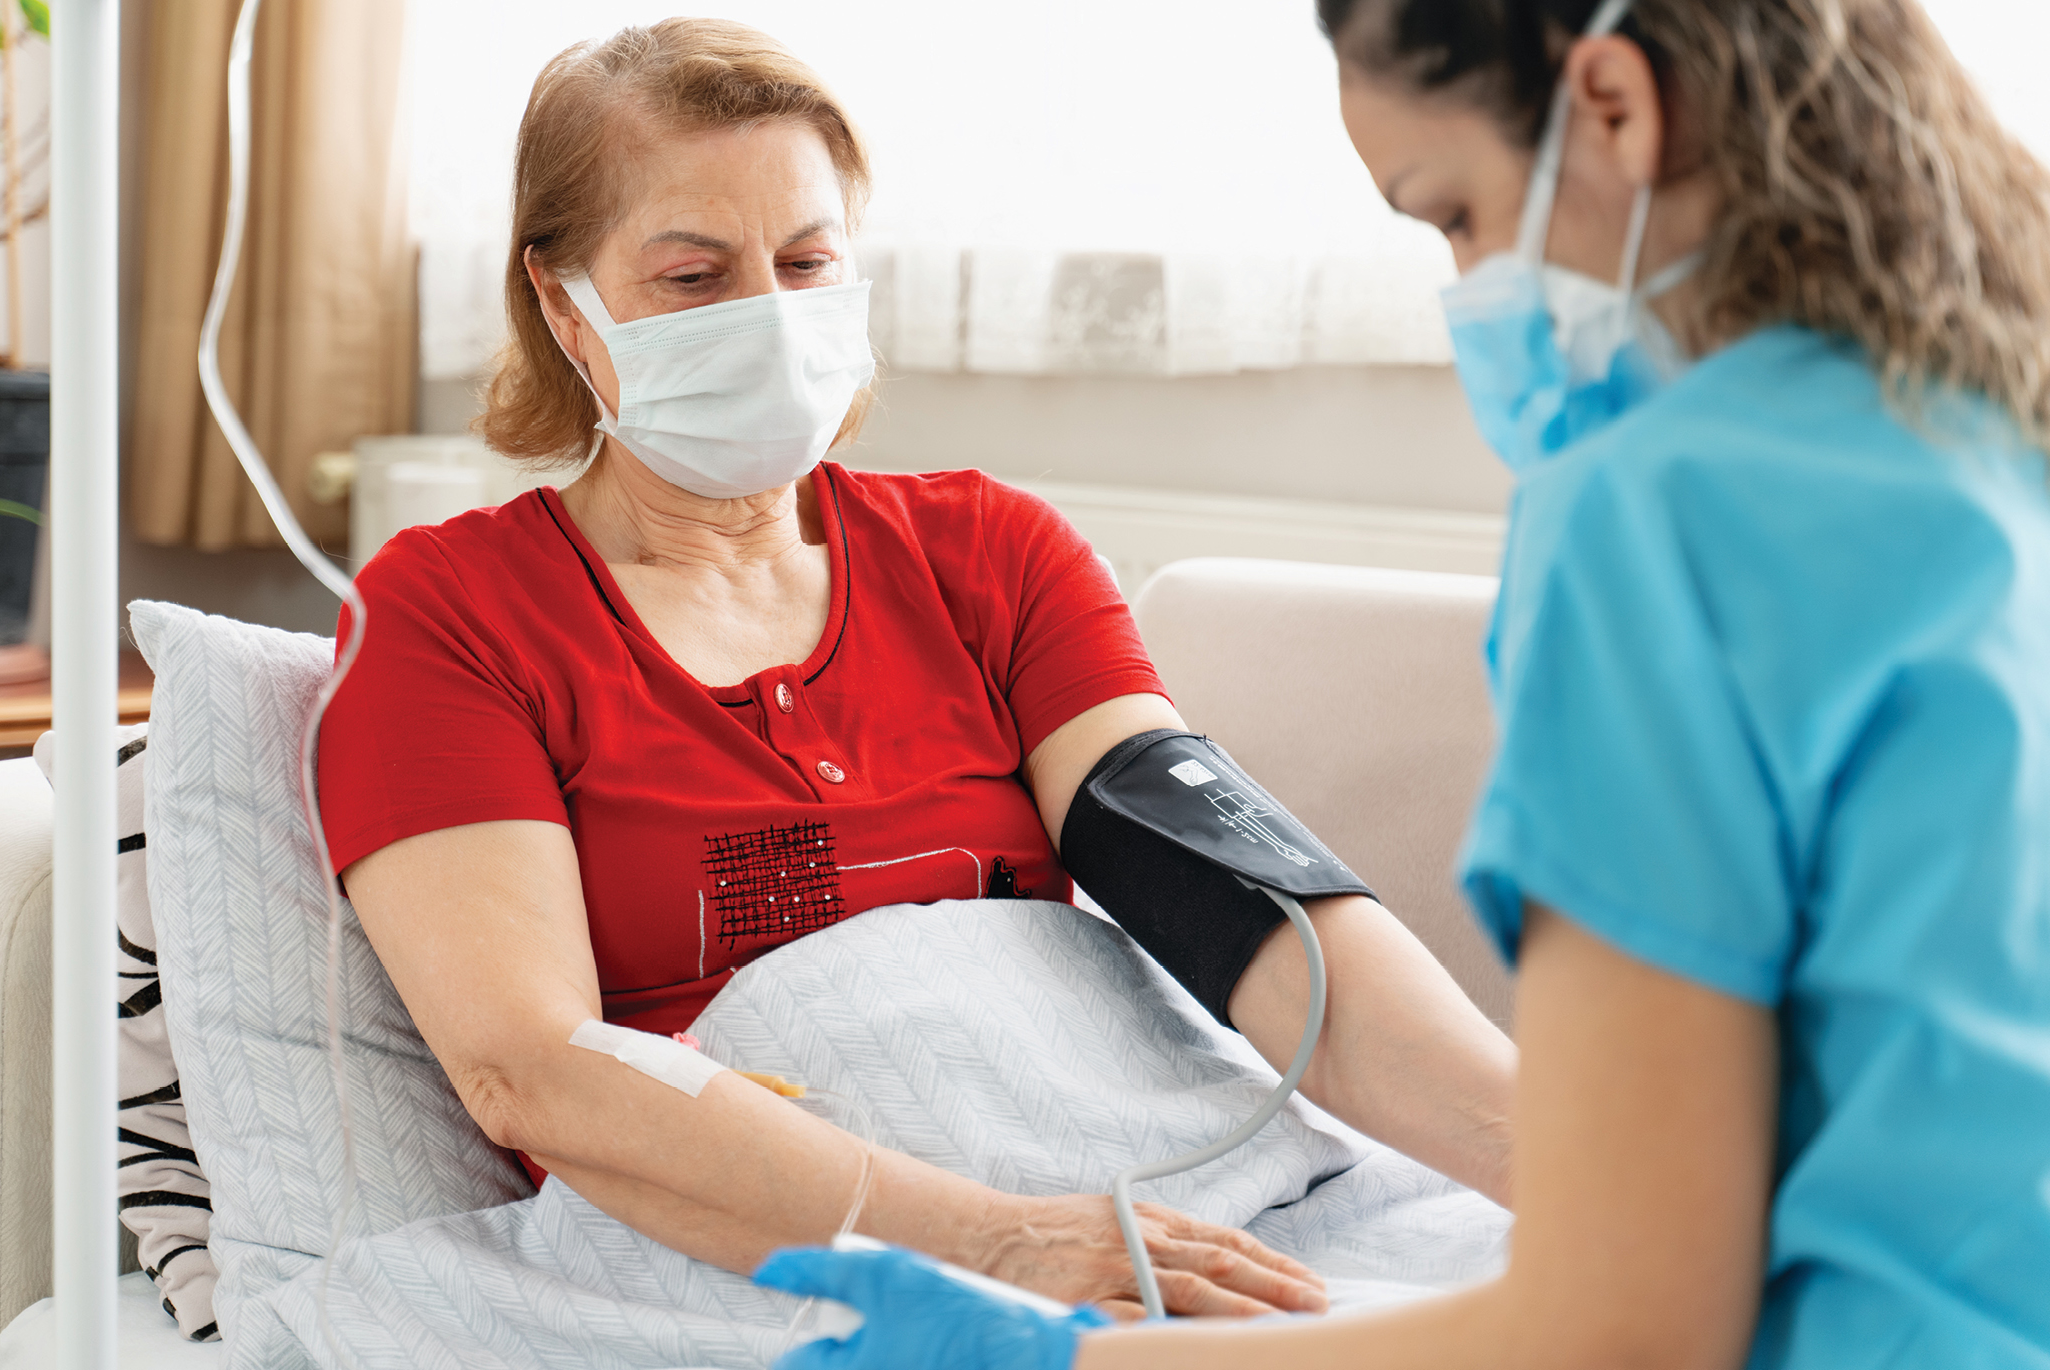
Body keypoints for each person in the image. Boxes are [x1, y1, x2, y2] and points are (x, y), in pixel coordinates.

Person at [758, 0, 2050, 1365]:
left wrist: (1066, 1357)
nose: (1468, 281)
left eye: (1457, 214)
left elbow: (1624, 1319)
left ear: (1613, 103)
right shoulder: (1992, 426)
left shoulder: (1651, 515)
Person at [318, 17, 1518, 1324]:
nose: (768, 320)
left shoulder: (992, 554)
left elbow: (1246, 906)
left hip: (1139, 1175)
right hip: (784, 1248)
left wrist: (1568, 1159)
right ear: (563, 302)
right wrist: (990, 1243)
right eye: (692, 276)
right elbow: (528, 1065)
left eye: (806, 260)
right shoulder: (452, 613)